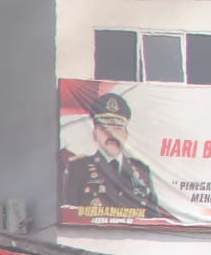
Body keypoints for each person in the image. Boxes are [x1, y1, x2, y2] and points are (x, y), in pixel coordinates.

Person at [61, 92, 170, 220]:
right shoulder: (78, 168)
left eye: (118, 128)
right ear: (95, 134)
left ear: (126, 134)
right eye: (104, 128)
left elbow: (153, 218)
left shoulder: (141, 171)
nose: (112, 135)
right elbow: (68, 216)